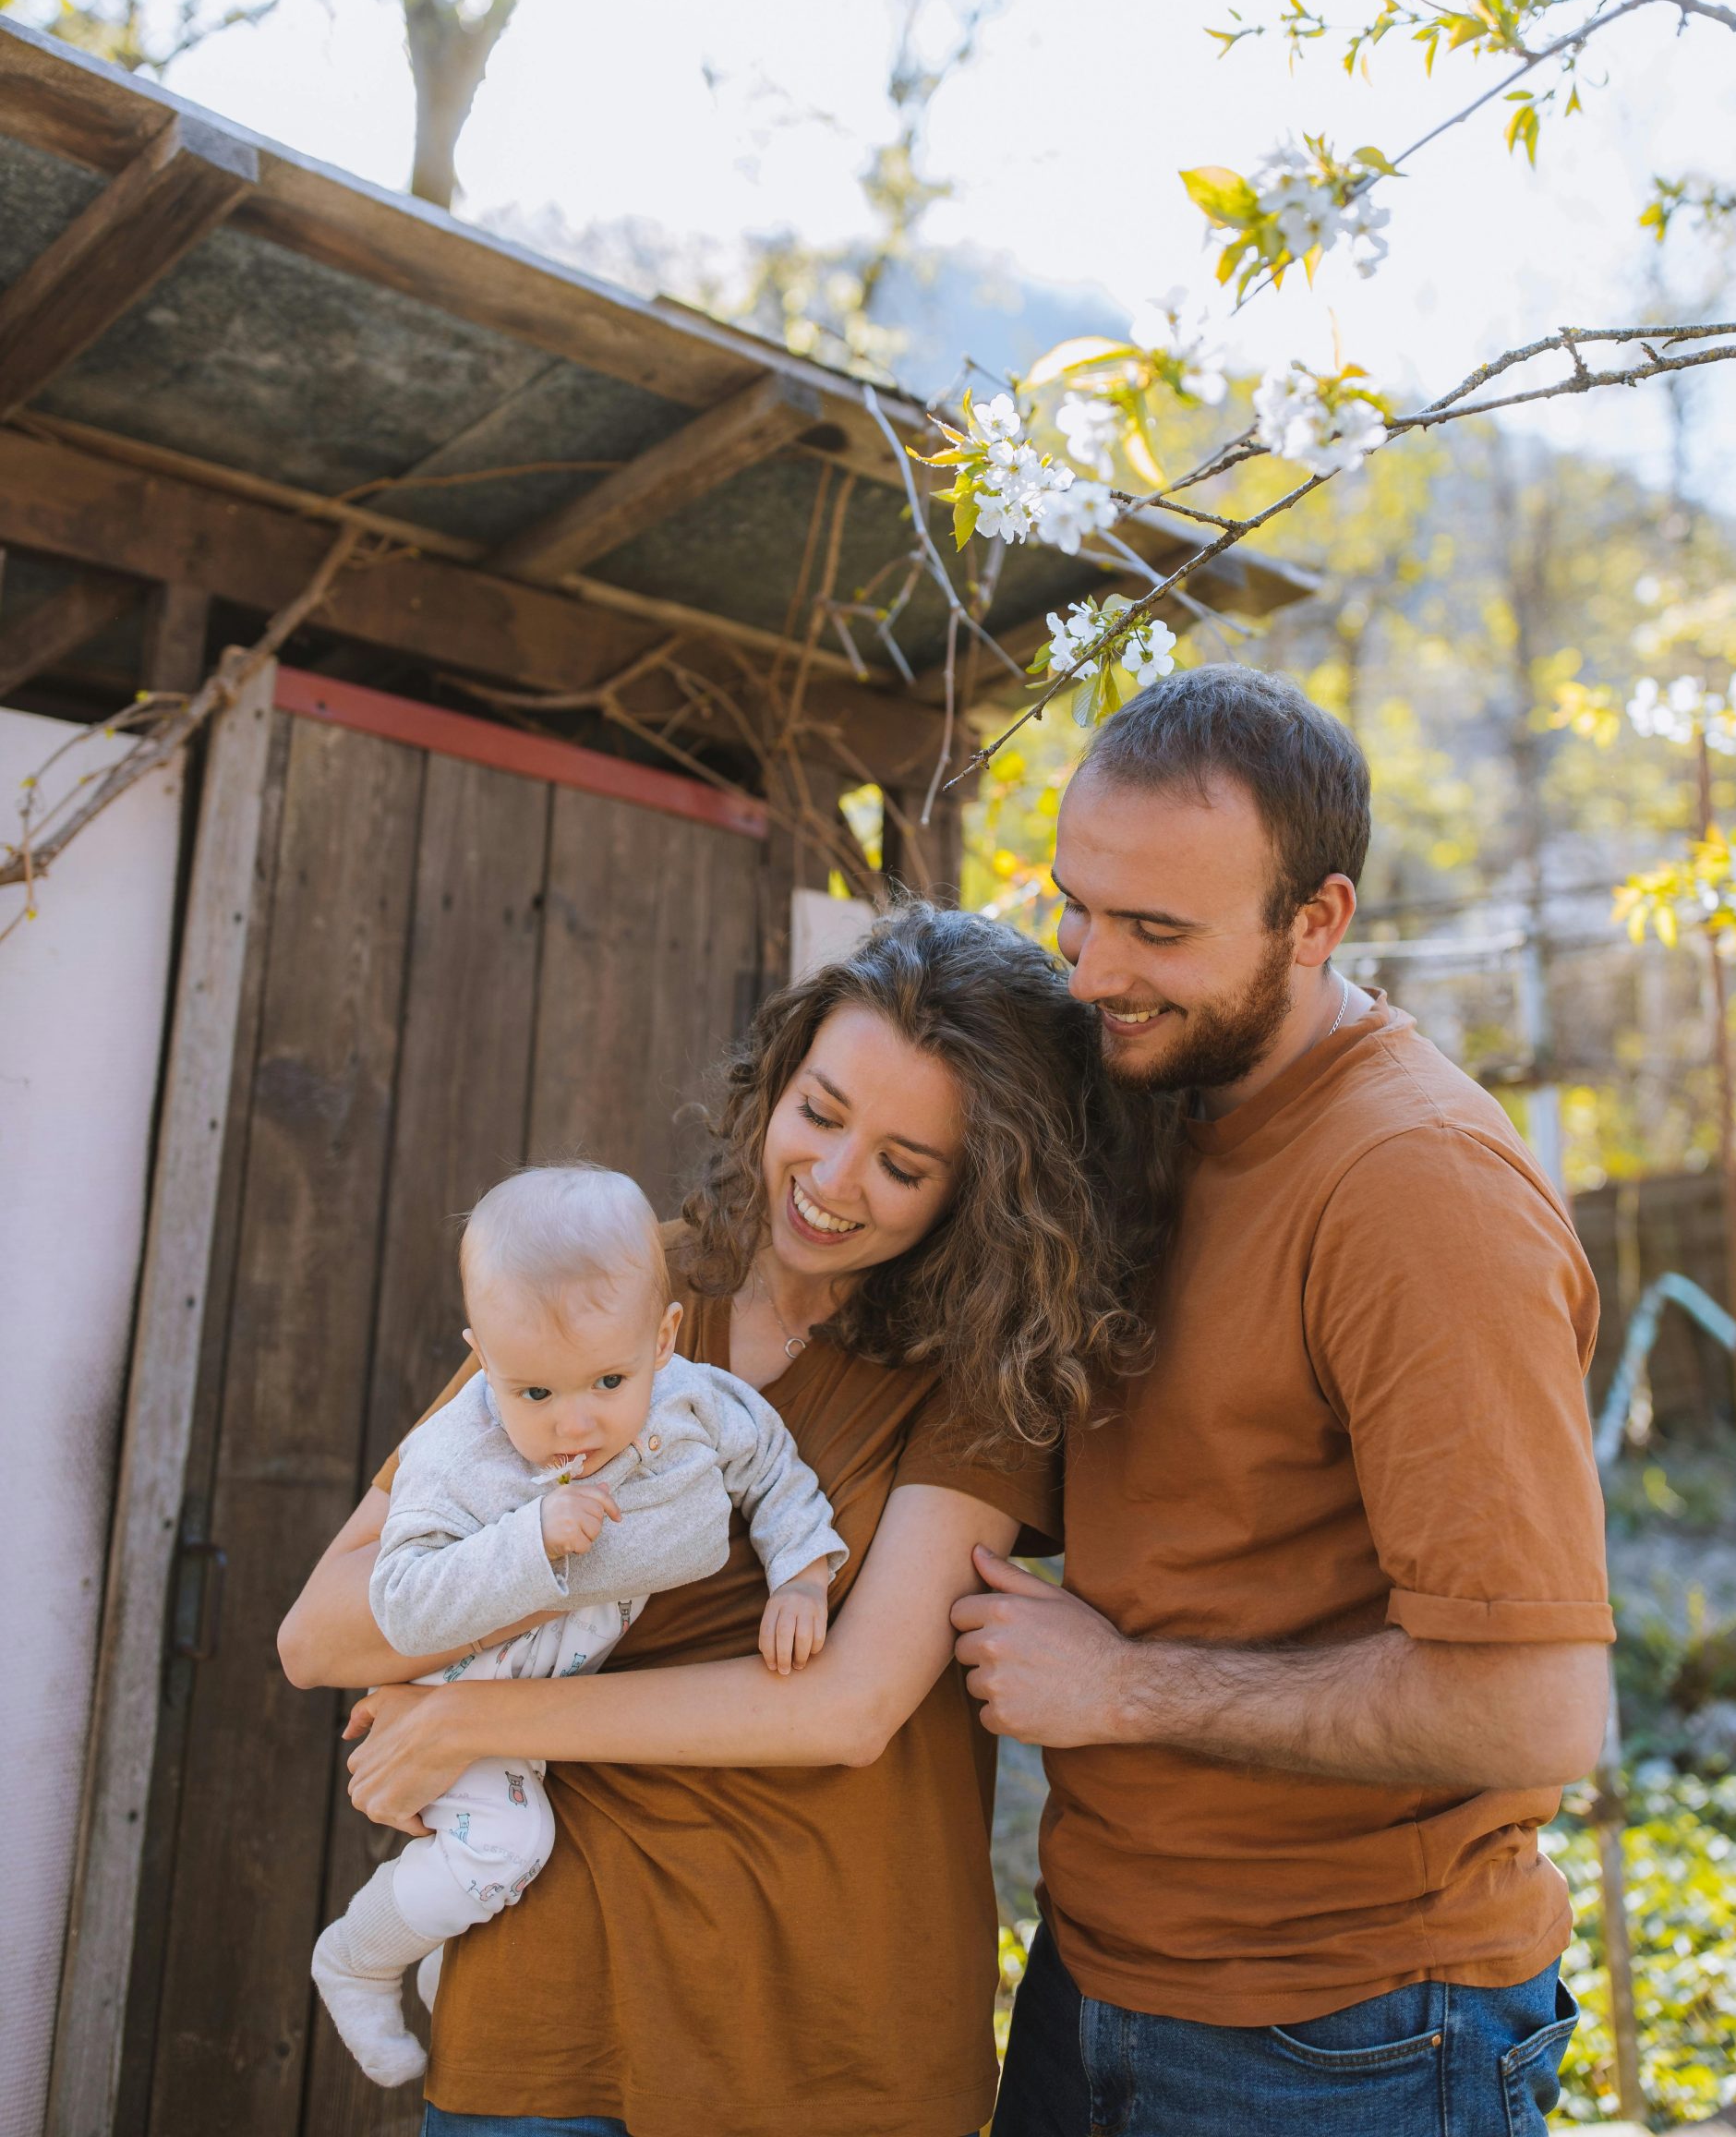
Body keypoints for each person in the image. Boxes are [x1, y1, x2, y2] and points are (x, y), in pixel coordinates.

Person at [279, 903, 1166, 2137]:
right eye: (820, 1113)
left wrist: (471, 1712)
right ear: (776, 1085)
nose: (834, 1182)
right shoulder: (615, 1290)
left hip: (827, 2021)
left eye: (906, 1168)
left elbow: (848, 1708)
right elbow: (323, 1633)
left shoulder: (980, 1378)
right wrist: (537, 1558)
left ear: (984, 1193)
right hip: (553, 1989)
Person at [955, 664, 1614, 2137]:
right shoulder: (1162, 1091)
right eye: (1077, 903)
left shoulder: (1416, 1192)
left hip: (1348, 2034)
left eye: (1156, 931)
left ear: (1317, 922)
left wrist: (1121, 1685)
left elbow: (1533, 1710)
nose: (1086, 969)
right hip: (1098, 1966)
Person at [312, 1162, 845, 2088]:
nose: (574, 1425)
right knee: (512, 1849)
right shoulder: (456, 1454)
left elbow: (772, 1470)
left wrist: (801, 1576)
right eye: (535, 1394)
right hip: (457, 1697)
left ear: (665, 1335)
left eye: (606, 1379)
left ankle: (435, 1955)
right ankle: (358, 1957)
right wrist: (530, 1543)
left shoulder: (692, 1400)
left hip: (544, 1712)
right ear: (483, 1358)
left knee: (485, 1873)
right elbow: (399, 1599)